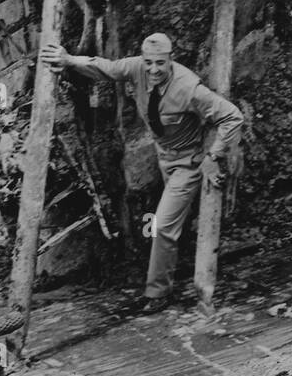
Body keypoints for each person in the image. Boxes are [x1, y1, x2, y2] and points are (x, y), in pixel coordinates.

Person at [41, 32, 243, 313]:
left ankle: (158, 293)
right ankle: (174, 268)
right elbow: (107, 68)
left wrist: (213, 157)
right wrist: (69, 60)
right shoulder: (137, 67)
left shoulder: (188, 87)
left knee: (162, 225)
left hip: (189, 161)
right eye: (149, 63)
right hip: (163, 156)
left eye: (160, 63)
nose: (153, 70)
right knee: (171, 220)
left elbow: (232, 116)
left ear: (170, 59)